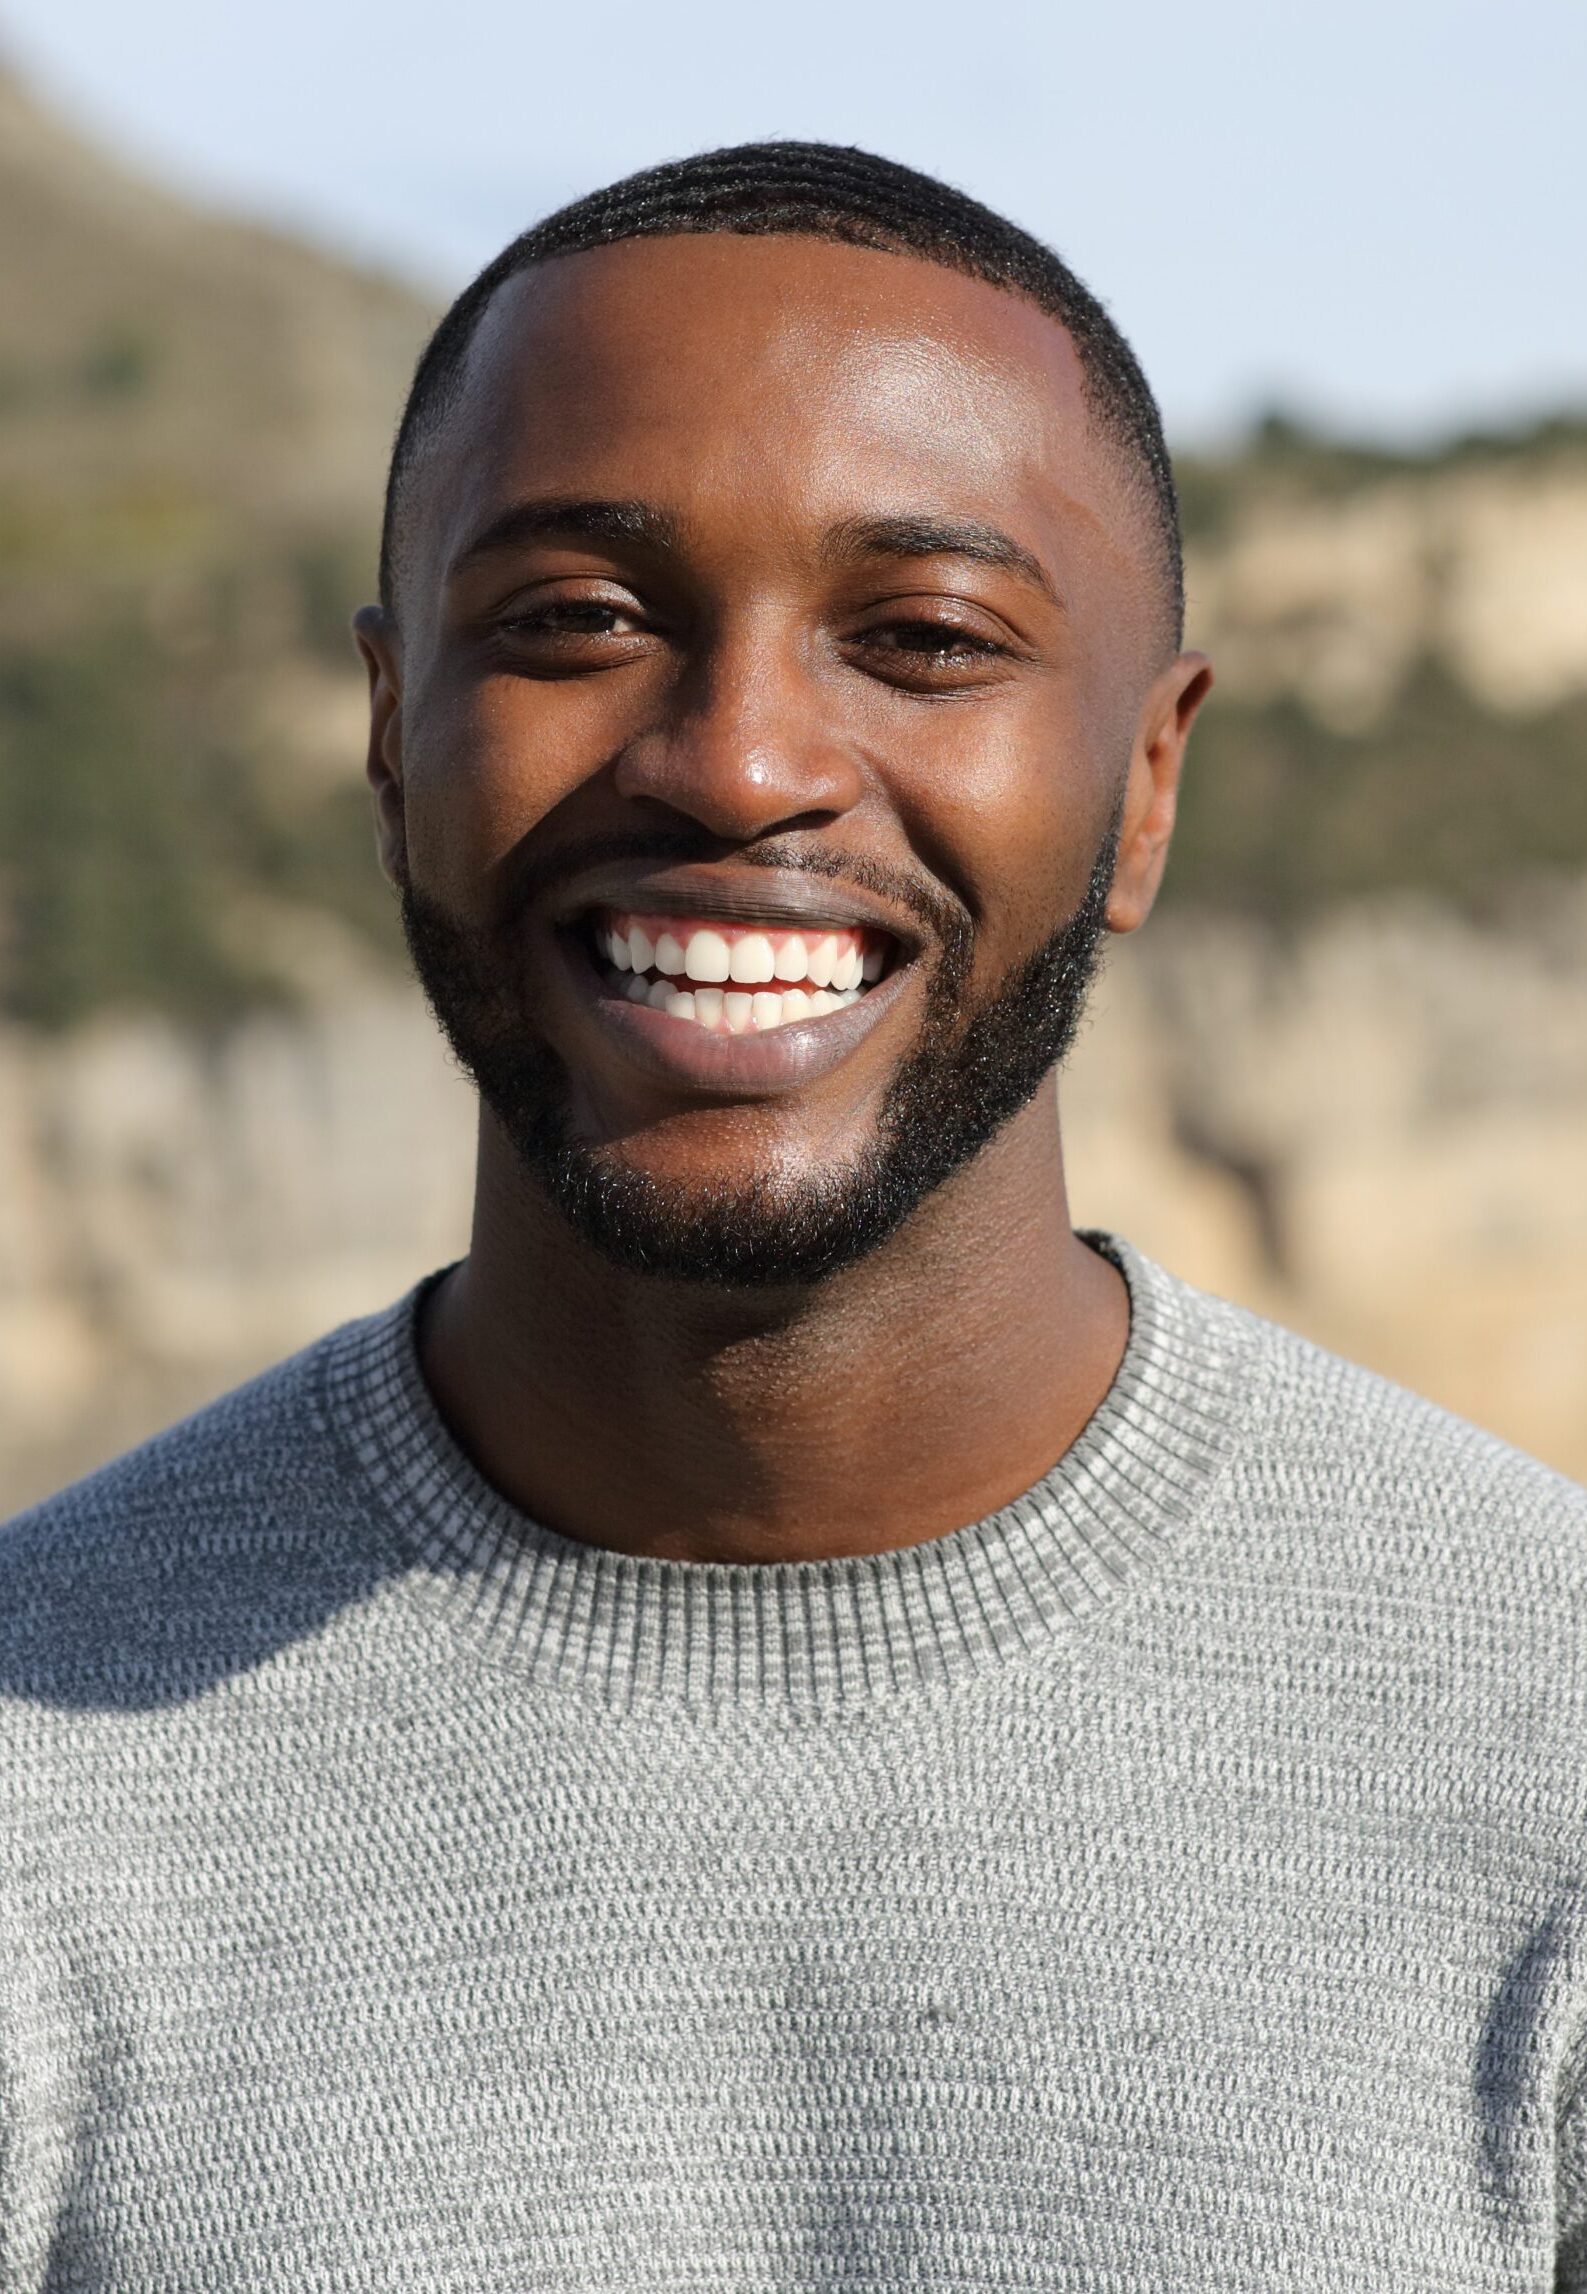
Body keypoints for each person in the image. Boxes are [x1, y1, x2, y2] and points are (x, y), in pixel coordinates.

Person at [1, 141, 1584, 2292]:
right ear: (392, 732)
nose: (740, 763)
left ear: (1143, 783)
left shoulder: (1539, 1738)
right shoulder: (35, 1789)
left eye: (922, 636)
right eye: (574, 619)